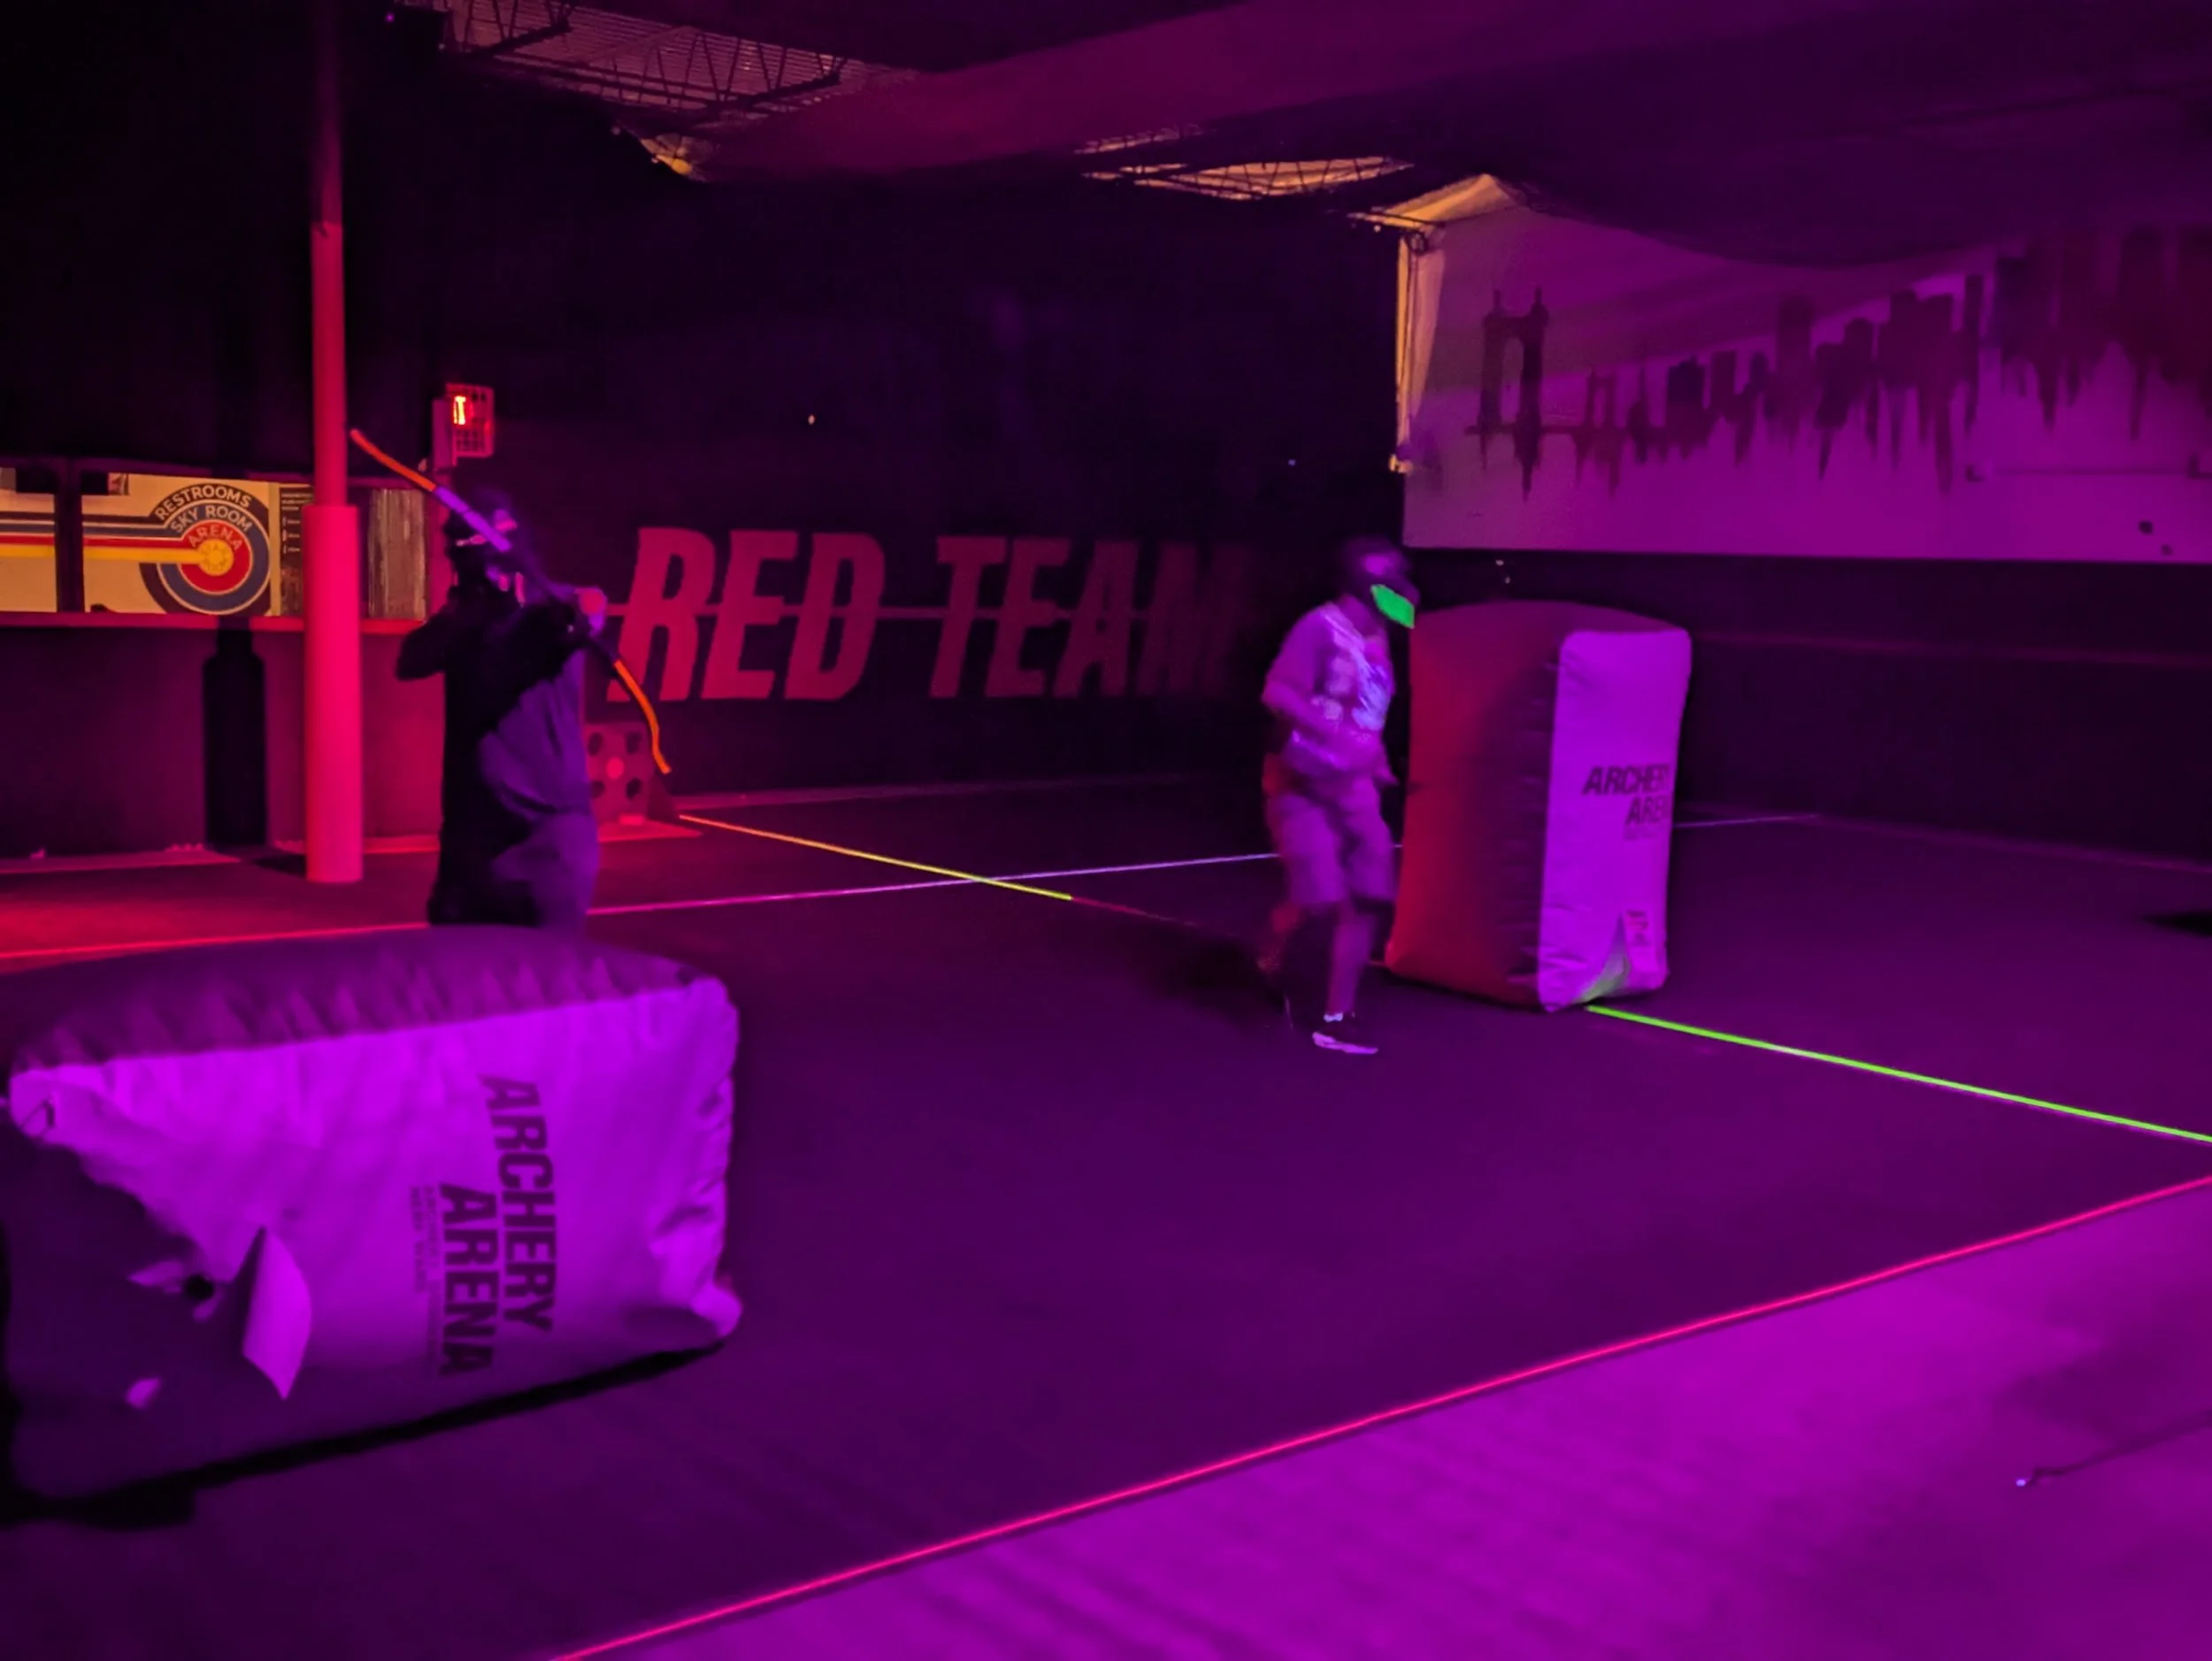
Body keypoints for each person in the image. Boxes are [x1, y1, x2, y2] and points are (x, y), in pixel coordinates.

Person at [397, 498, 603, 931]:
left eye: (493, 569)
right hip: (470, 842)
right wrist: (466, 614)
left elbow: (586, 609)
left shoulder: (548, 613)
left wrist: (581, 612)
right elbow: (409, 661)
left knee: (549, 981)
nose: (488, 581)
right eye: (474, 571)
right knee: (458, 982)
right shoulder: (461, 624)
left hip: (547, 838)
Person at [1256, 535, 1419, 1054]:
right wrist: (1333, 736)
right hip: (1301, 783)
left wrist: (1378, 761)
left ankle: (1337, 1014)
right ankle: (1276, 957)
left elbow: (1369, 711)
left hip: (1353, 787)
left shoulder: (1381, 633)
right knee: (1319, 901)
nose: (1399, 598)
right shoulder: (1319, 628)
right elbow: (1278, 693)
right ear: (1365, 587)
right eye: (1389, 584)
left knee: (1370, 894)